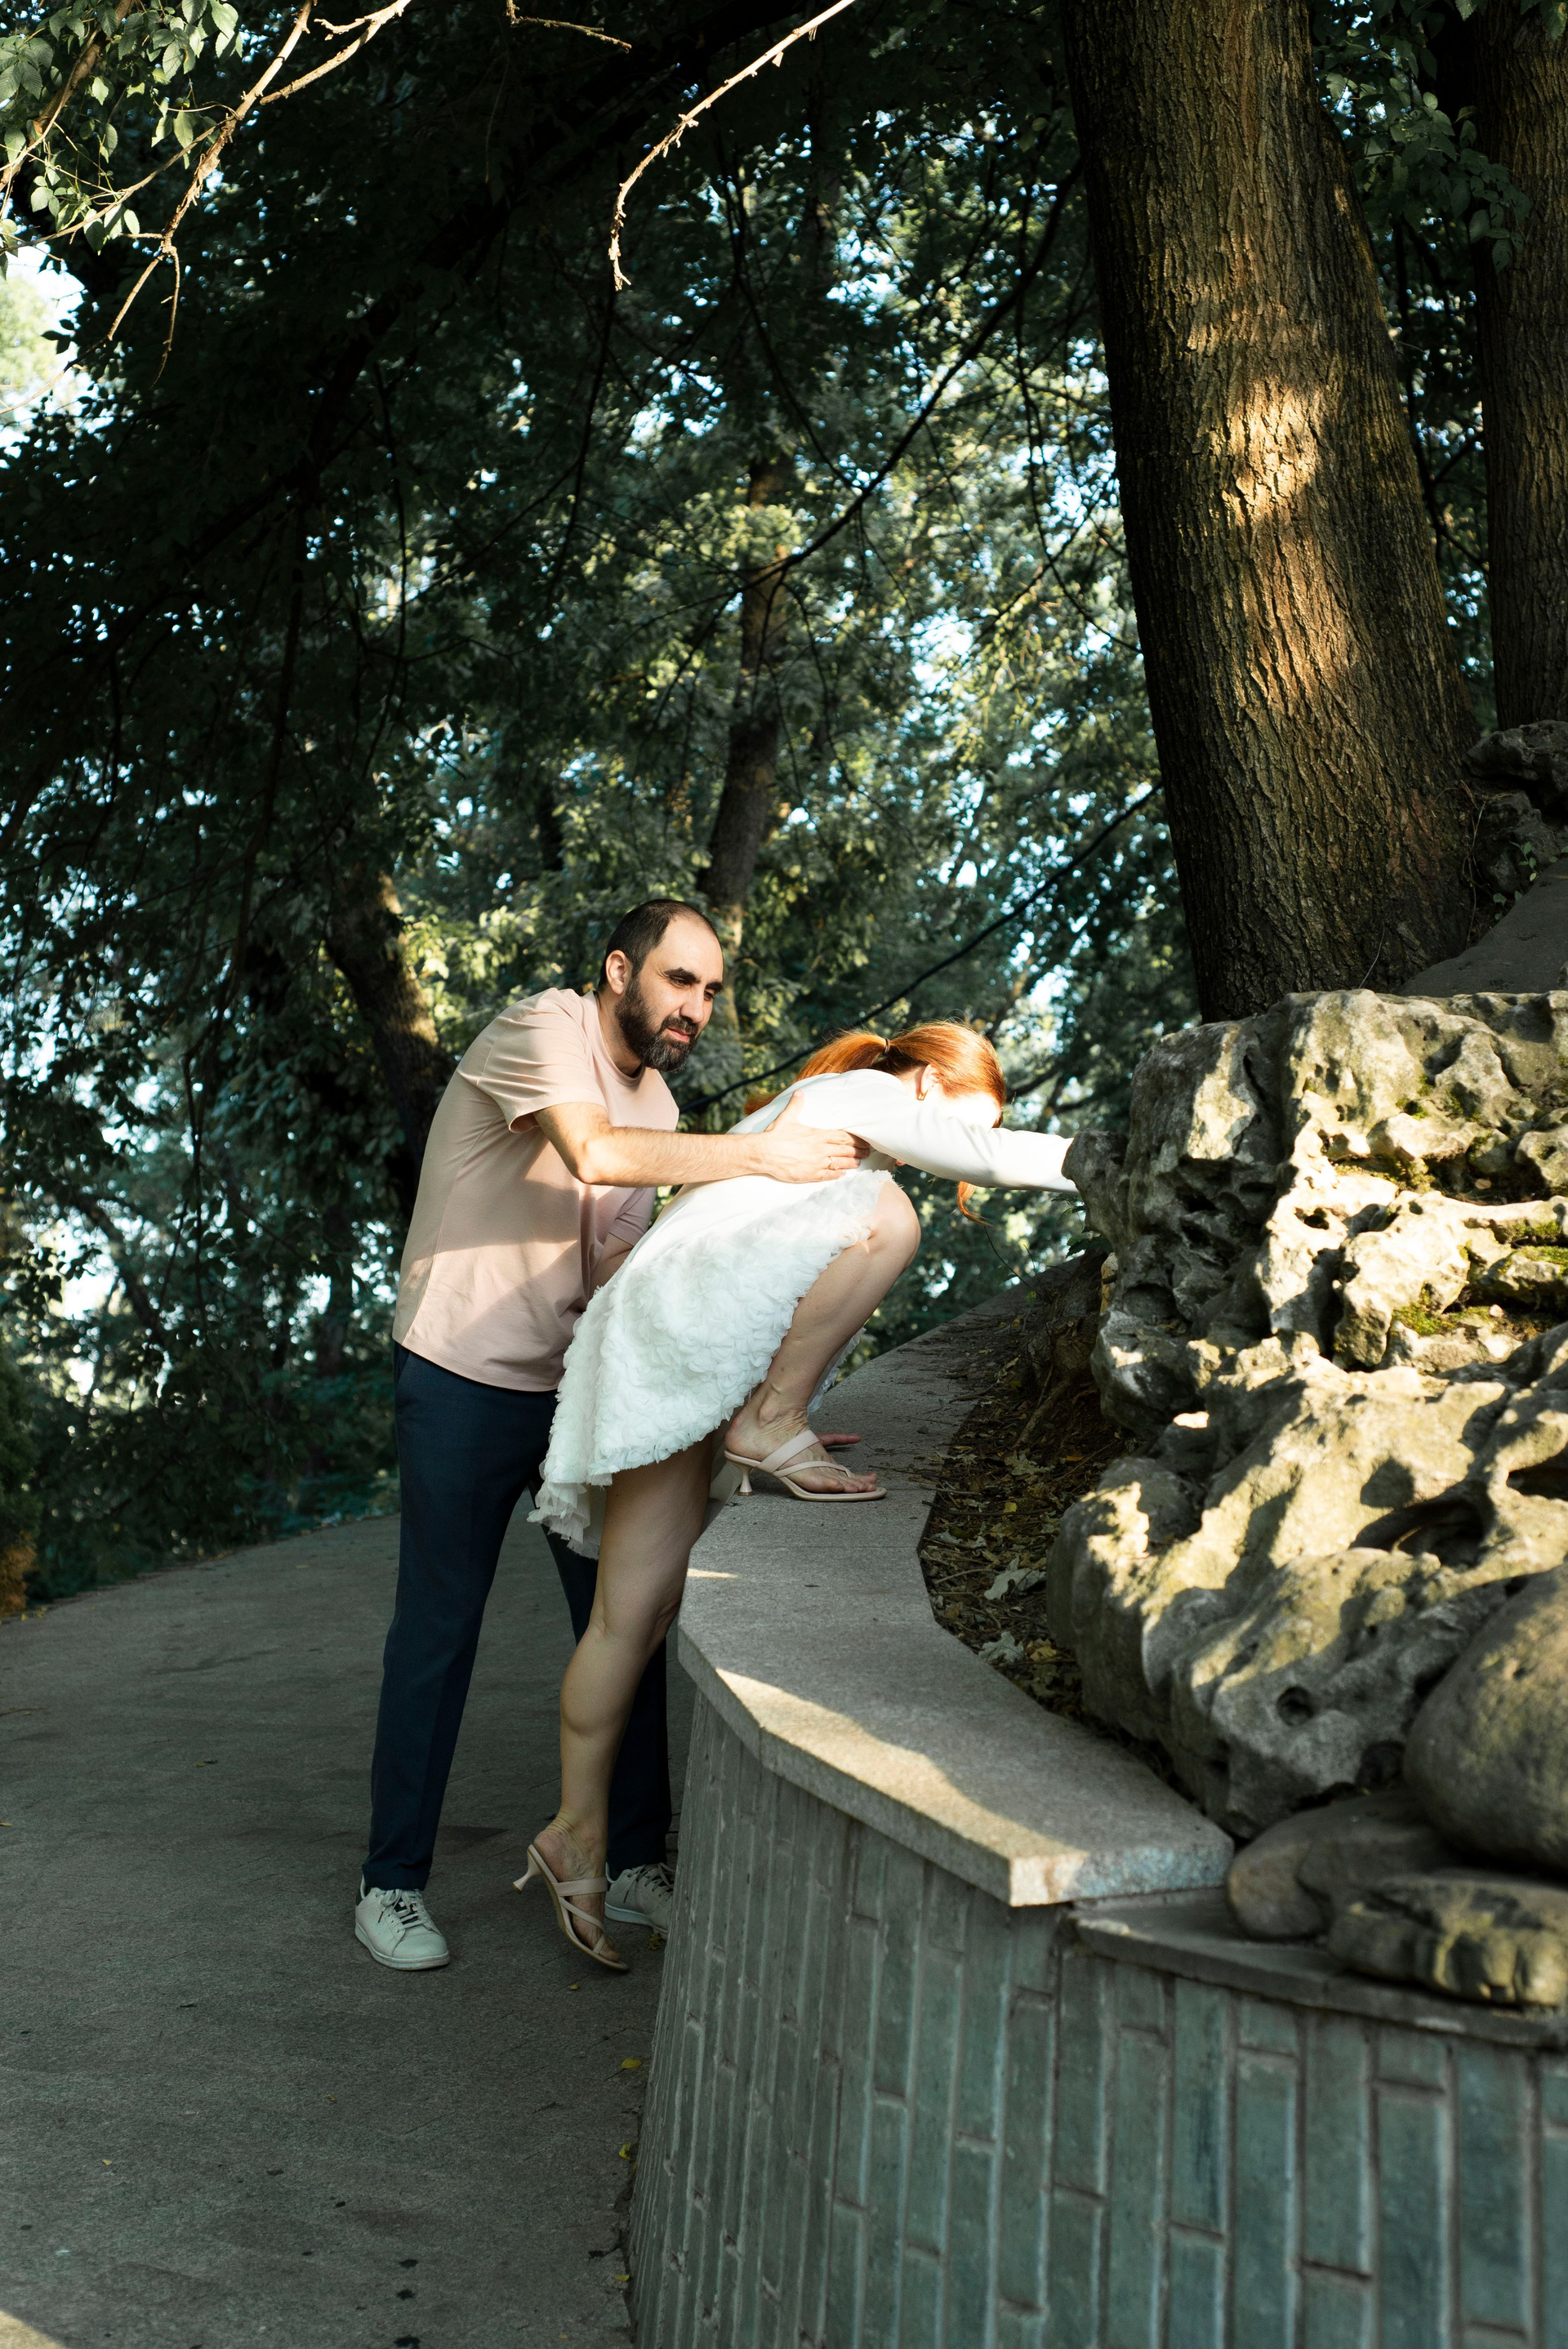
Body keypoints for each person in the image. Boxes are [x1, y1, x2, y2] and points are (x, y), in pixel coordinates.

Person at [353, 899, 868, 1972]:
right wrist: (765, 1156)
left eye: (712, 990)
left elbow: (626, 1279)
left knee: (623, 1614)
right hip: (460, 1374)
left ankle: (631, 1859)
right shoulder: (543, 1028)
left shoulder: (663, 1103)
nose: (697, 1006)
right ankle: (390, 1883)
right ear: (620, 971)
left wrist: (769, 1400)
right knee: (440, 1626)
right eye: (681, 980)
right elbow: (592, 1153)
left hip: (571, 1384)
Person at [518, 1023, 1080, 1971]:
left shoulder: (824, 1132)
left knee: (630, 1618)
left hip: (665, 1336)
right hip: (679, 1326)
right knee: (893, 1214)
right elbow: (981, 1160)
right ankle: (767, 1418)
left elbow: (771, 1272)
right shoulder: (870, 1093)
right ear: (926, 1081)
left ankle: (575, 1830)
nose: (956, 1147)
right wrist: (1113, 1157)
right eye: (961, 1119)